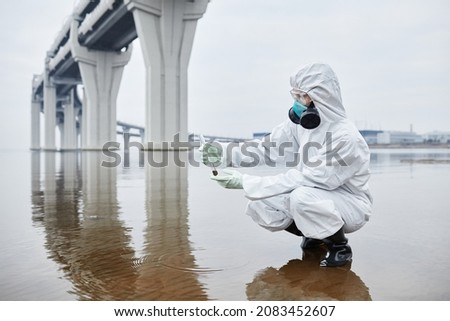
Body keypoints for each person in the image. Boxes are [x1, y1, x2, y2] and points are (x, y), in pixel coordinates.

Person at [202, 63, 373, 267]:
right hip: (315, 195)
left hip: (349, 204)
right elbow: (267, 147)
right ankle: (316, 234)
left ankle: (339, 247)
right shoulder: (301, 124)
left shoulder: (345, 137)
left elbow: (309, 178)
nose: (296, 102)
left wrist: (245, 181)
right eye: (295, 95)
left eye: (301, 96)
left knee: (301, 197)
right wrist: (225, 153)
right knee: (261, 202)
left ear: (320, 97)